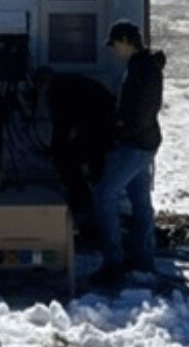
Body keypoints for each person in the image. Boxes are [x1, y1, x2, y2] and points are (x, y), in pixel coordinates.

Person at [92, 20, 166, 290]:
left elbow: (141, 111)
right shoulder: (143, 67)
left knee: (104, 195)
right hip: (143, 142)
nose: (114, 51)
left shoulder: (142, 71)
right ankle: (142, 261)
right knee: (140, 201)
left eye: (115, 45)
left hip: (135, 145)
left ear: (125, 41)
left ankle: (114, 263)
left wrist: (120, 129)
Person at [30, 65, 115, 239]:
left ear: (43, 82)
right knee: (97, 177)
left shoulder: (56, 90)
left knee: (69, 168)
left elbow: (62, 124)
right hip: (105, 131)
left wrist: (55, 150)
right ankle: (101, 220)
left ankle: (85, 215)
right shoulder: (73, 80)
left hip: (93, 133)